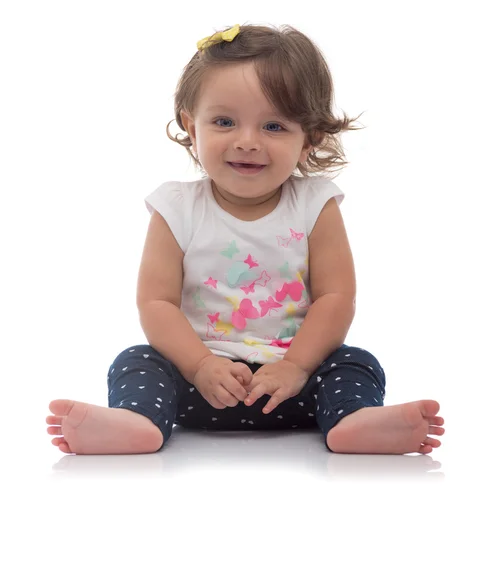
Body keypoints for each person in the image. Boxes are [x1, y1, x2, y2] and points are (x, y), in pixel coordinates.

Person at [46, 23, 445, 455]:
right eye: (224, 121)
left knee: (355, 362)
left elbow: (336, 297)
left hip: (294, 387)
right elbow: (155, 303)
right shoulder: (176, 208)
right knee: (137, 360)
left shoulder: (315, 205)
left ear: (309, 138)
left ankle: (353, 421)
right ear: (191, 127)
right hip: (200, 386)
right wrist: (200, 365)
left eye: (274, 126)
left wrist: (295, 366)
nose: (247, 142)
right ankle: (139, 422)